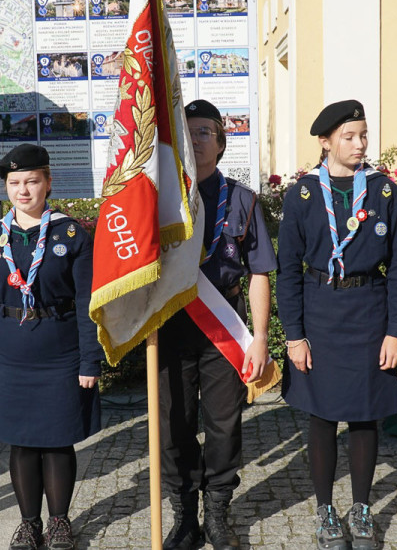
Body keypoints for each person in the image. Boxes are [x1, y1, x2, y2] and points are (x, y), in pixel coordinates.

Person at [276, 99, 397, 550]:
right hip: (319, 311)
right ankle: (325, 510)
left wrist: (396, 330)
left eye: (363, 135)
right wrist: (294, 336)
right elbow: (288, 271)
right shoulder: (302, 194)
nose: (360, 144)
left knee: (364, 415)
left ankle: (361, 508)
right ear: (326, 142)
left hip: (369, 312)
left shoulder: (383, 191)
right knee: (322, 415)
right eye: (349, 136)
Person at [0, 144, 102, 550]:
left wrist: (90, 360)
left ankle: (59, 522)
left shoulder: (71, 235)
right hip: (9, 356)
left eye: (32, 181)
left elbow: (87, 302)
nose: (23, 190)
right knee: (21, 441)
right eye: (15, 183)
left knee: (58, 440)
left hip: (61, 353)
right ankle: (28, 523)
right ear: (6, 187)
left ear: (48, 183)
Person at [158, 100, 277, 550]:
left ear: (221, 143)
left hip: (224, 326)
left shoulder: (242, 200)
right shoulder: (161, 200)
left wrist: (260, 338)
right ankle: (184, 517)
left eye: (204, 132)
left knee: (224, 425)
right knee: (174, 425)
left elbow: (259, 272)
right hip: (170, 325)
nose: (196, 141)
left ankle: (218, 514)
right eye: (187, 133)